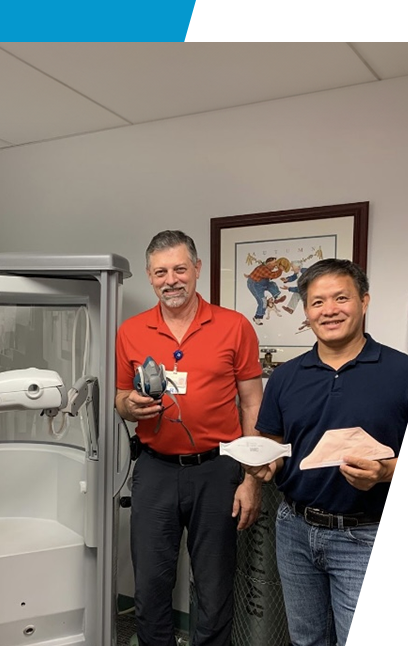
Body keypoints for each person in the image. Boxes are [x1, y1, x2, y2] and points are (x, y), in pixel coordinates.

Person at [243, 258, 408, 646]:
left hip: (371, 533)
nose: (329, 310)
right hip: (294, 529)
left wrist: (385, 472)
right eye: (317, 302)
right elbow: (276, 442)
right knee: (306, 639)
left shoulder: (407, 373)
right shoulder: (285, 377)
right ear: (306, 311)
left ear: (364, 301)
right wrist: (266, 462)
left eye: (341, 298)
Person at [115, 230, 264, 646]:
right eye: (161, 272)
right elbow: (120, 397)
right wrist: (129, 407)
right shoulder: (131, 331)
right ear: (149, 276)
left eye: (180, 269)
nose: (171, 280)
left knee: (215, 587)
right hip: (155, 469)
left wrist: (251, 478)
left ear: (197, 270)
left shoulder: (234, 326)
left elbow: (252, 405)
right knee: (150, 584)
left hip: (218, 470)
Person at [244, 257, 286, 325]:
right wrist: (280, 270)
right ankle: (257, 317)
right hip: (255, 285)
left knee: (272, 284)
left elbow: (270, 275)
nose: (275, 265)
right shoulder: (263, 269)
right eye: (274, 264)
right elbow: (273, 275)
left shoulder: (267, 268)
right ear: (269, 263)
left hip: (262, 282)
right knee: (263, 301)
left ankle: (277, 297)